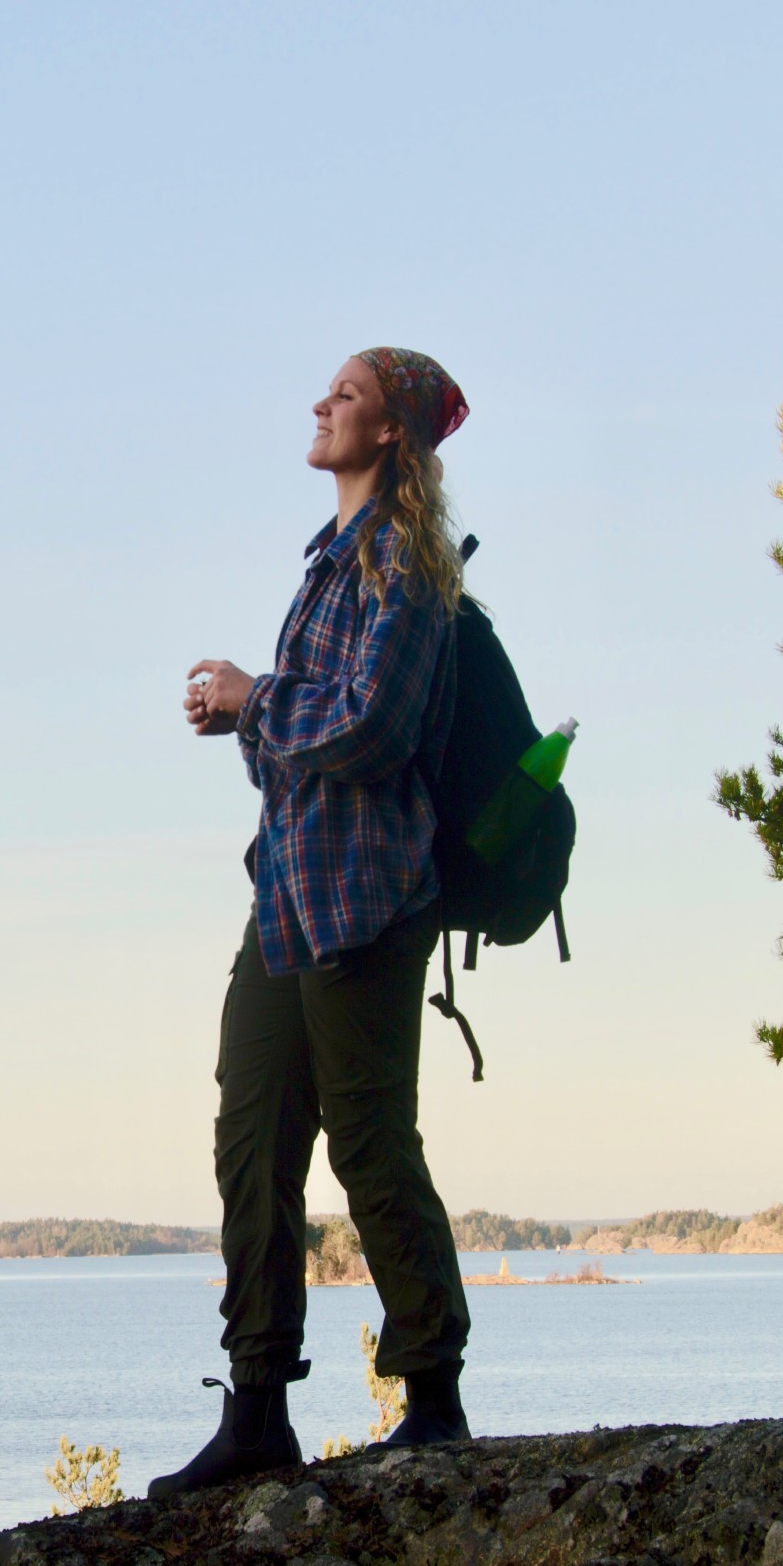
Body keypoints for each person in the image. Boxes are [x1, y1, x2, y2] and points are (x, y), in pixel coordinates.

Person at [150, 347, 473, 1499]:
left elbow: (374, 728)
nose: (322, 404)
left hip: (367, 899)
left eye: (347, 395)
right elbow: (306, 746)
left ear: (389, 431)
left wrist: (257, 698)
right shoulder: (328, 563)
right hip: (285, 896)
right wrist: (243, 720)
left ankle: (433, 1403)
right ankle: (257, 1413)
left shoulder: (403, 557)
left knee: (370, 1143)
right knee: (253, 1142)